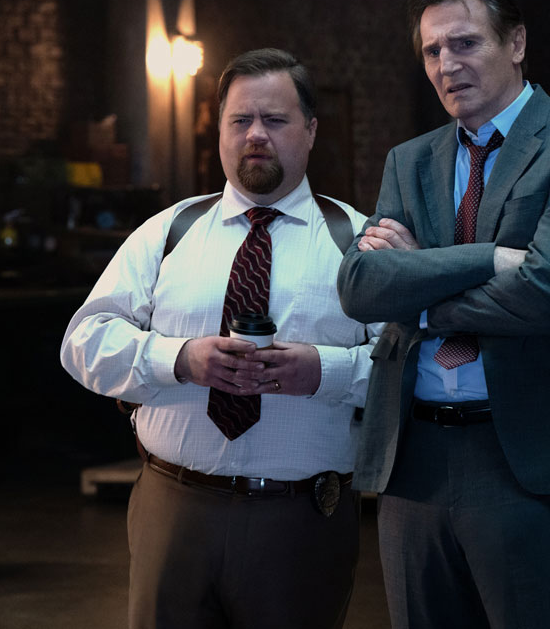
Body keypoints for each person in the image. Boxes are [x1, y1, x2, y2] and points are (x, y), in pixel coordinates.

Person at [336, 0, 550, 628]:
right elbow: (361, 286)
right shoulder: (408, 160)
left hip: (526, 456)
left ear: (515, 43)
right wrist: (486, 260)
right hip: (413, 457)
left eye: (465, 43)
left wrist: (419, 292)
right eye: (432, 51)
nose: (447, 64)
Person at [60, 48, 381, 629]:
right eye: (241, 120)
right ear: (220, 133)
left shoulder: (359, 243)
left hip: (301, 520)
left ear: (310, 131)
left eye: (275, 120)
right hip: (173, 508)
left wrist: (325, 371)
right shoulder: (167, 232)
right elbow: (83, 342)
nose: (256, 134)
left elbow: (410, 366)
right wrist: (178, 359)